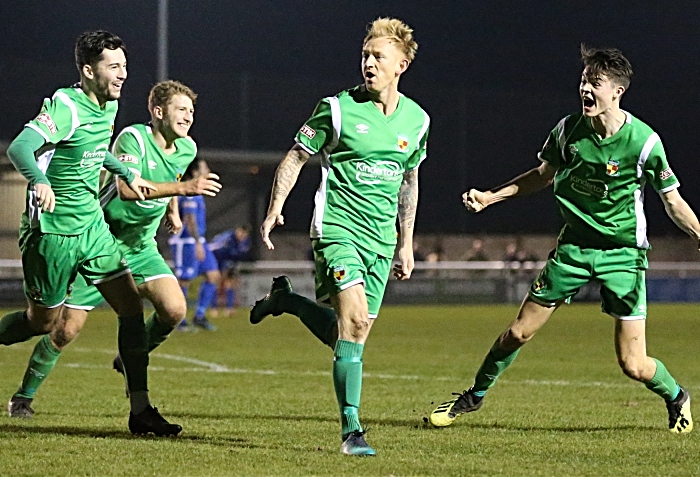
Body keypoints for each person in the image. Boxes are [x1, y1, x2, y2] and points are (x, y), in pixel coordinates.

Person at [429, 45, 699, 435]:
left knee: (634, 364)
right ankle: (474, 395)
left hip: (623, 256)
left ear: (617, 91)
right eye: (584, 81)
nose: (585, 89)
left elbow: (672, 200)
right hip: (572, 249)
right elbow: (542, 175)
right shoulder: (568, 130)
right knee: (518, 331)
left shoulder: (644, 143)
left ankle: (676, 396)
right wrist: (491, 197)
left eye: (596, 83)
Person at [249, 17, 429, 455]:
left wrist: (406, 240)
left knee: (351, 332)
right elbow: (295, 157)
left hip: (381, 241)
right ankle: (352, 431)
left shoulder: (418, 120)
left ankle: (288, 301)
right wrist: (275, 207)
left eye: (378, 56)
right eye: (365, 55)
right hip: (337, 231)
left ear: (401, 64)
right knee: (353, 322)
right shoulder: (335, 108)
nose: (368, 63)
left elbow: (409, 181)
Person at [7, 80, 221, 428]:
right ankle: (23, 396)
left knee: (174, 308)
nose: (188, 116)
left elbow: (170, 179)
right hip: (103, 240)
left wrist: (172, 209)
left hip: (141, 246)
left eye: (191, 111)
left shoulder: (186, 148)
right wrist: (183, 189)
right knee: (63, 330)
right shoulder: (132, 138)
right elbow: (124, 189)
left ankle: (131, 362)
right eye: (181, 109)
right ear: (158, 111)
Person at [0, 31, 182, 435]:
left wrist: (125, 171)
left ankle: (140, 411)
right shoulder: (67, 105)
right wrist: (39, 181)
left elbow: (93, 150)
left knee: (132, 311)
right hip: (51, 232)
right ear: (88, 70)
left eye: (124, 65)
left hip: (92, 229)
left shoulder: (107, 106)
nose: (123, 74)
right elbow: (19, 148)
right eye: (113, 66)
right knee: (42, 323)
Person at [169, 158, 220, 331]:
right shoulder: (190, 190)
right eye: (205, 167)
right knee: (184, 280)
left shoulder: (199, 191)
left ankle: (199, 315)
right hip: (188, 241)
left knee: (213, 275)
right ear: (195, 172)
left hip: (199, 240)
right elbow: (189, 220)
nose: (208, 169)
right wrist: (197, 242)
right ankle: (179, 319)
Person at [209, 225, 253, 316]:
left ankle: (229, 308)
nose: (242, 235)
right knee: (217, 282)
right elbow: (212, 247)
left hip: (231, 261)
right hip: (218, 259)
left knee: (231, 283)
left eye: (244, 234)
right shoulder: (227, 237)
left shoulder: (246, 242)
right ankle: (214, 308)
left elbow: (242, 253)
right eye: (241, 232)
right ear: (237, 230)